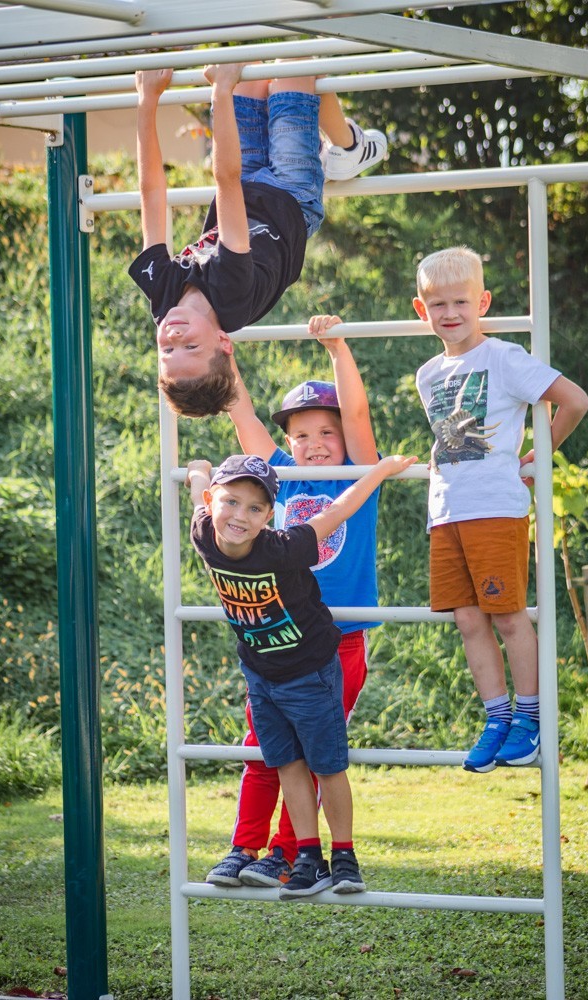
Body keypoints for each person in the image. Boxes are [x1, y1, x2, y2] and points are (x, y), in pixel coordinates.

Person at [187, 451, 416, 897]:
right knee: (285, 762)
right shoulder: (203, 532)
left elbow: (339, 509)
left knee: (326, 765)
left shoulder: (284, 546)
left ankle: (344, 857)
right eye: (231, 502)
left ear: (270, 516)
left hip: (310, 669)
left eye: (255, 509)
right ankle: (308, 855)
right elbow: (198, 489)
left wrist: (383, 470)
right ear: (214, 500)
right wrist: (197, 468)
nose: (240, 516)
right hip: (260, 673)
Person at [205, 315, 381, 890]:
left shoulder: (356, 476)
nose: (315, 444)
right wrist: (222, 355)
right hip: (277, 639)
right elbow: (242, 416)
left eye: (326, 433)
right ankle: (245, 846)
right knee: (265, 748)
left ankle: (288, 852)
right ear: (287, 445)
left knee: (313, 750)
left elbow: (357, 416)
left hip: (338, 642)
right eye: (301, 435)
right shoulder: (277, 482)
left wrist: (337, 349)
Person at [412, 246, 588, 773]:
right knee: (468, 620)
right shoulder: (427, 374)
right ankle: (497, 717)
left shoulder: (505, 358)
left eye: (461, 302)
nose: (450, 313)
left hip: (495, 508)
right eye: (437, 303)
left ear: (482, 301)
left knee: (507, 616)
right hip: (446, 511)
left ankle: (530, 720)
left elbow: (574, 400)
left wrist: (540, 453)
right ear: (421, 310)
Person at [129, 64, 387, 418]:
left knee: (250, 76)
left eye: (168, 354)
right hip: (291, 197)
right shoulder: (231, 294)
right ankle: (350, 146)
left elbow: (152, 194)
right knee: (292, 72)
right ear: (223, 342)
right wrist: (218, 93)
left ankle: (339, 148)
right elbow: (225, 179)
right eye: (191, 346)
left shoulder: (163, 298)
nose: (173, 339)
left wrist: (147, 101)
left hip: (246, 184)